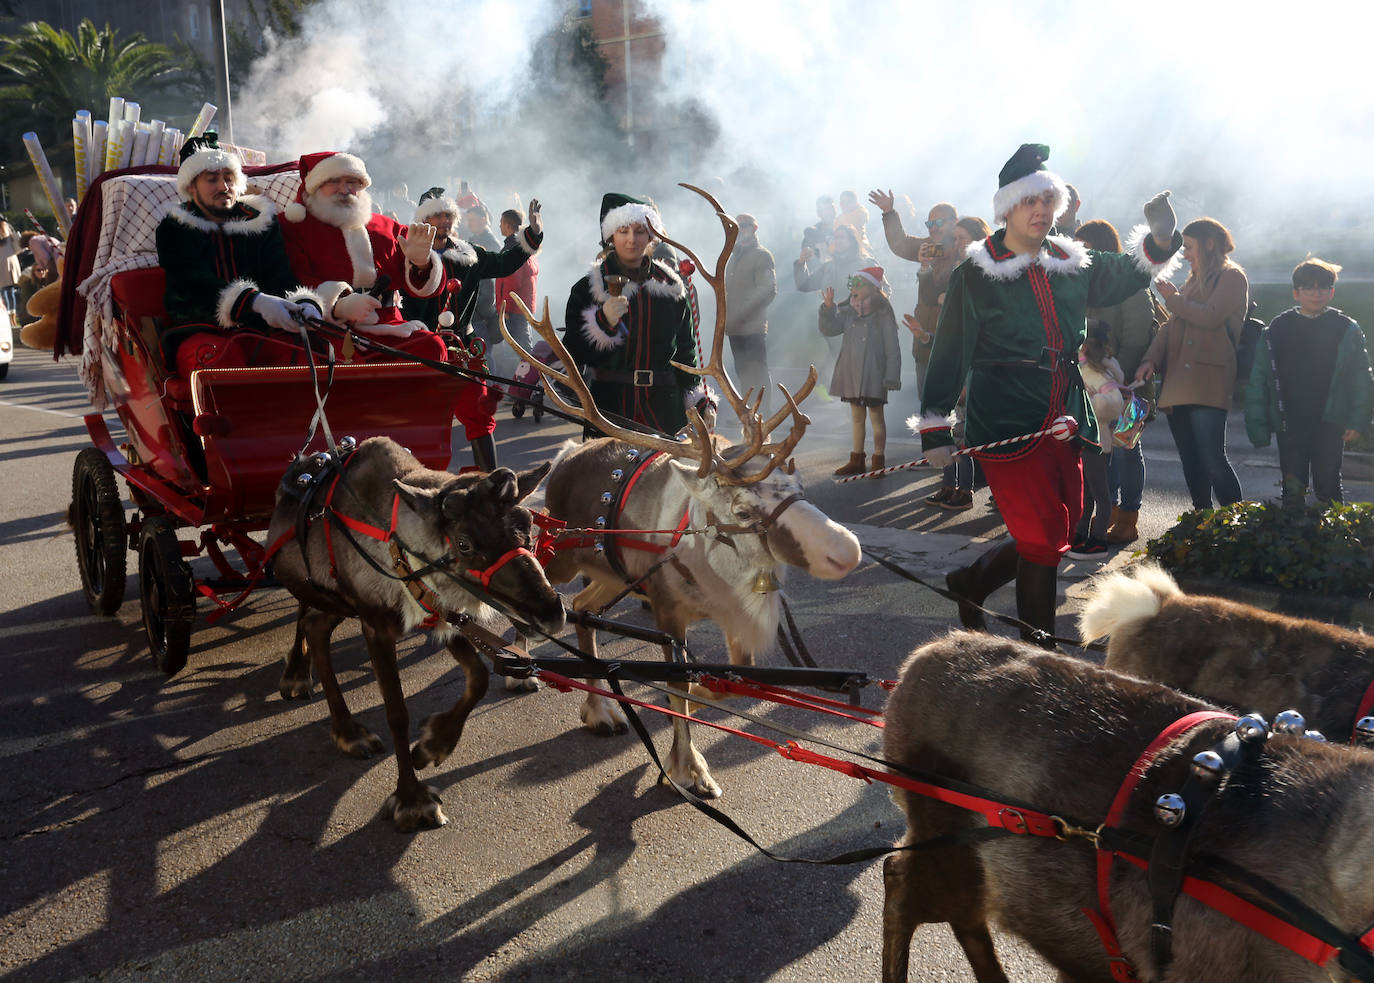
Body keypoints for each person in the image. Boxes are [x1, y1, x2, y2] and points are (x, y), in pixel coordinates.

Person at [918, 143, 1181, 647]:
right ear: (1007, 208)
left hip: (1066, 417)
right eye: (1029, 202)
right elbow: (949, 351)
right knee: (1040, 538)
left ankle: (971, 582)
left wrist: (1162, 236)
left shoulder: (1069, 258)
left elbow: (1130, 271)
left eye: (1048, 201)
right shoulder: (976, 272)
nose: (1041, 211)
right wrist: (934, 427)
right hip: (1006, 421)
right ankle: (1036, 652)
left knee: (1057, 529)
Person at [155, 132, 323, 376]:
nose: (224, 187)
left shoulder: (260, 222)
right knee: (221, 359)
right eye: (212, 179)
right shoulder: (175, 228)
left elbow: (279, 274)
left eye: (229, 178)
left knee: (303, 354)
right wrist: (253, 301)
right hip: (199, 329)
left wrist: (303, 303)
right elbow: (192, 282)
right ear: (191, 187)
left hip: (260, 330)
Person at [401, 188, 543, 471]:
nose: (443, 220)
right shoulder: (404, 255)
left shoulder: (470, 254)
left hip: (462, 348)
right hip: (420, 349)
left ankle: (488, 481)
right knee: (420, 420)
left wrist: (532, 235)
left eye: (448, 215)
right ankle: (420, 483)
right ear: (423, 220)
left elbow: (503, 264)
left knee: (478, 414)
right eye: (437, 215)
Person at [276, 151, 448, 364]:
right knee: (305, 359)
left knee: (431, 347)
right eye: (333, 181)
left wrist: (422, 263)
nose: (344, 189)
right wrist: (337, 305)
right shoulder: (290, 227)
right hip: (323, 330)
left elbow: (430, 288)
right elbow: (286, 281)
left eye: (352, 182)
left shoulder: (387, 227)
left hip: (386, 327)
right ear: (314, 187)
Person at [562, 193, 708, 436]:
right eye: (623, 231)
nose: (632, 239)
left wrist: (698, 402)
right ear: (611, 236)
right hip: (609, 411)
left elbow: (686, 352)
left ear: (652, 237)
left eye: (640, 231)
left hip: (664, 412)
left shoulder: (672, 287)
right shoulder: (588, 289)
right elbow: (572, 353)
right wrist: (602, 323)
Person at [1134, 217, 1247, 510]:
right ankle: (1202, 523)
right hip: (1179, 384)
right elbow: (1170, 328)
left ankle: (1237, 523)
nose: (1183, 254)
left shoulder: (1232, 278)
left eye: (1188, 247)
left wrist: (1173, 298)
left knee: (1212, 460)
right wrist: (1150, 360)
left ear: (1209, 244)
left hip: (1209, 381)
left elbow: (1210, 315)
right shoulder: (1192, 282)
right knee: (1192, 463)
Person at [1245, 257, 1374, 505]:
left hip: (1330, 422)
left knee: (1328, 485)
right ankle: (1291, 538)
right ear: (1296, 293)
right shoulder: (1277, 328)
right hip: (1290, 422)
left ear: (1332, 292)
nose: (1316, 293)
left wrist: (1358, 420)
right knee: (1293, 488)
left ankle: (1335, 538)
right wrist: (1258, 425)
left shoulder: (1346, 328)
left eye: (1323, 287)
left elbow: (1362, 378)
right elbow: (1260, 379)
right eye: (1308, 288)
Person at [1074, 218, 1156, 544]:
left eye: (1088, 248)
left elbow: (1137, 338)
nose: (1082, 254)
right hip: (1093, 387)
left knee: (1126, 449)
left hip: (1124, 384)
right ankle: (1105, 512)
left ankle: (1128, 516)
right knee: (1099, 451)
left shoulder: (1130, 285)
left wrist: (1113, 376)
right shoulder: (1085, 285)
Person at [868, 189, 958, 397]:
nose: (934, 228)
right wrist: (889, 213)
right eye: (930, 224)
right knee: (928, 405)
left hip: (954, 342)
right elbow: (900, 244)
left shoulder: (966, 248)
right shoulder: (929, 247)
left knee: (959, 409)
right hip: (925, 341)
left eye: (939, 223)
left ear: (955, 221)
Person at [819, 266, 901, 475]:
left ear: (871, 288)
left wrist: (891, 376)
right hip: (852, 371)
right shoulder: (847, 309)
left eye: (858, 283)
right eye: (852, 283)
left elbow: (892, 346)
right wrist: (828, 308)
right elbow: (830, 329)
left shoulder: (883, 311)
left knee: (876, 416)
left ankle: (878, 458)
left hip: (874, 371)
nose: (853, 288)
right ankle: (856, 458)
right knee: (856, 417)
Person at [1068, 323, 1126, 559]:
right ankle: (1082, 534)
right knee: (1088, 493)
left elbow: (1112, 404)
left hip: (1097, 442)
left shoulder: (1101, 375)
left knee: (1099, 493)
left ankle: (1098, 539)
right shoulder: (1090, 371)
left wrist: (1090, 401)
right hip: (1086, 440)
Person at [724, 213, 776, 414]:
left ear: (754, 229)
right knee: (744, 374)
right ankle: (749, 417)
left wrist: (742, 312)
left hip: (752, 327)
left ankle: (762, 418)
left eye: (745, 226)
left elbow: (767, 290)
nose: (740, 230)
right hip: (734, 327)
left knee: (758, 374)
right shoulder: (732, 257)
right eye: (736, 226)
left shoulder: (761, 255)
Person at [493, 206, 541, 362]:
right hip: (521, 307)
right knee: (524, 348)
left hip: (514, 309)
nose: (499, 225)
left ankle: (535, 382)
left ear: (508, 225)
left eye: (501, 222)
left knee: (525, 351)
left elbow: (511, 281)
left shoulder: (513, 248)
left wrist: (503, 307)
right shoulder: (524, 246)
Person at [0, 219, 20, 318]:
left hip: (1, 263)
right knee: (10, 290)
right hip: (10, 260)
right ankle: (13, 316)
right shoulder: (6, 227)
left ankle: (7, 316)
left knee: (3, 291)